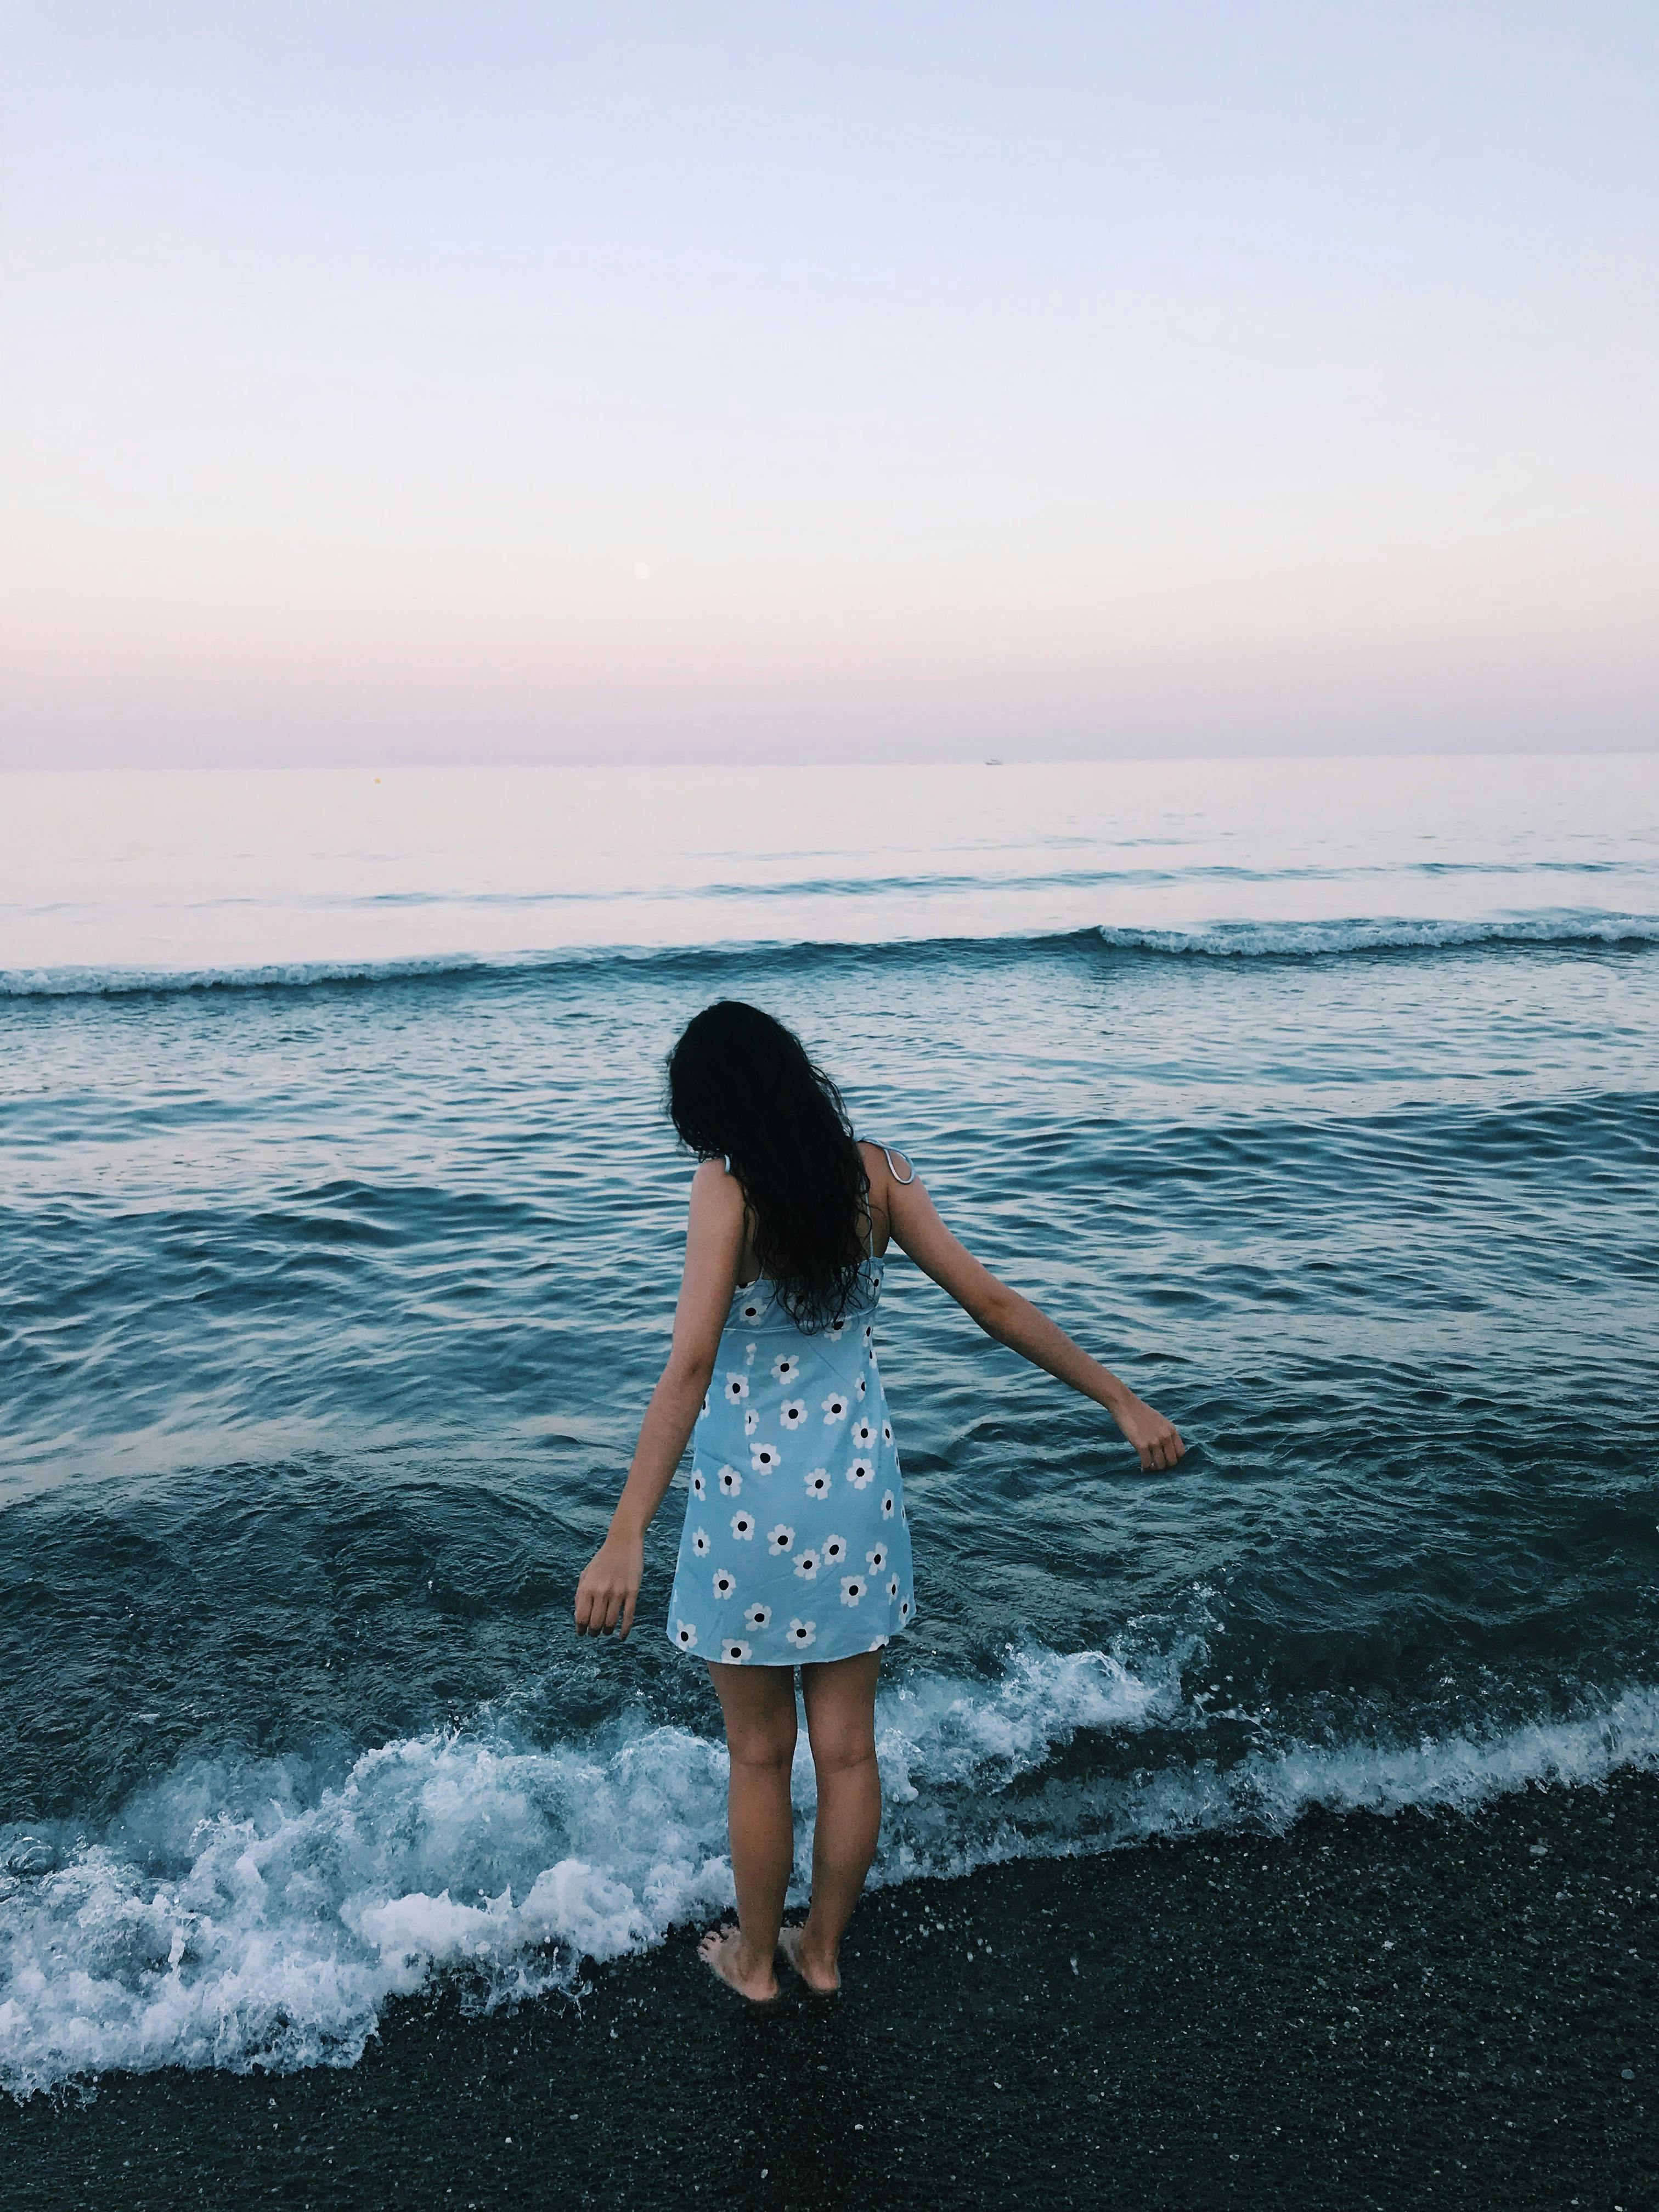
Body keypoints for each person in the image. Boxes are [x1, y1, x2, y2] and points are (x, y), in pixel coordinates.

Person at [573, 1000, 1184, 2004]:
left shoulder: (726, 1190)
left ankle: (758, 1964)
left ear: (714, 1106)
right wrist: (1119, 1397)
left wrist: (624, 1532)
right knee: (850, 1752)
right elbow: (993, 1306)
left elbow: (689, 1364)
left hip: (746, 1512)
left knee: (760, 1756)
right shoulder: (878, 1175)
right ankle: (824, 1955)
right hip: (857, 1501)